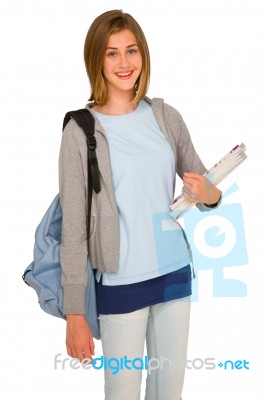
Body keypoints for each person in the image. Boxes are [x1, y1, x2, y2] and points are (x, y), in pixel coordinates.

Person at [59, 9, 221, 400]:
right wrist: (75, 313)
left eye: (131, 51)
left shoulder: (165, 117)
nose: (124, 62)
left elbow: (206, 188)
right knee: (122, 392)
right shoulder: (80, 130)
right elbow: (74, 227)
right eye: (112, 53)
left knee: (169, 392)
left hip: (173, 275)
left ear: (143, 55)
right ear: (96, 59)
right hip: (120, 283)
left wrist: (209, 195)